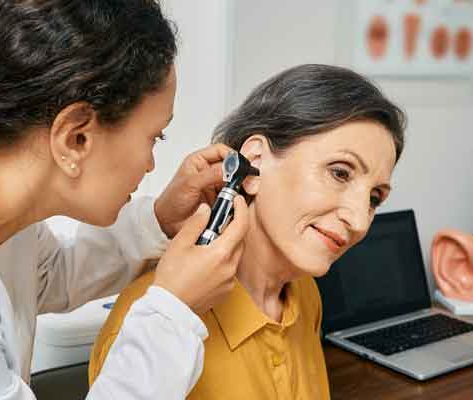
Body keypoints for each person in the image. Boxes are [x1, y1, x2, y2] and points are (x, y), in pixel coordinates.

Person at [0, 1, 249, 399]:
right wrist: (173, 311)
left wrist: (158, 220)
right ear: (76, 137)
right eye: (154, 137)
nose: (150, 163)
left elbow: (50, 273)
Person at [89, 64, 406, 399]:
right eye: (340, 173)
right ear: (255, 161)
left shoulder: (305, 294)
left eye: (374, 198)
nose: (359, 220)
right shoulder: (149, 327)